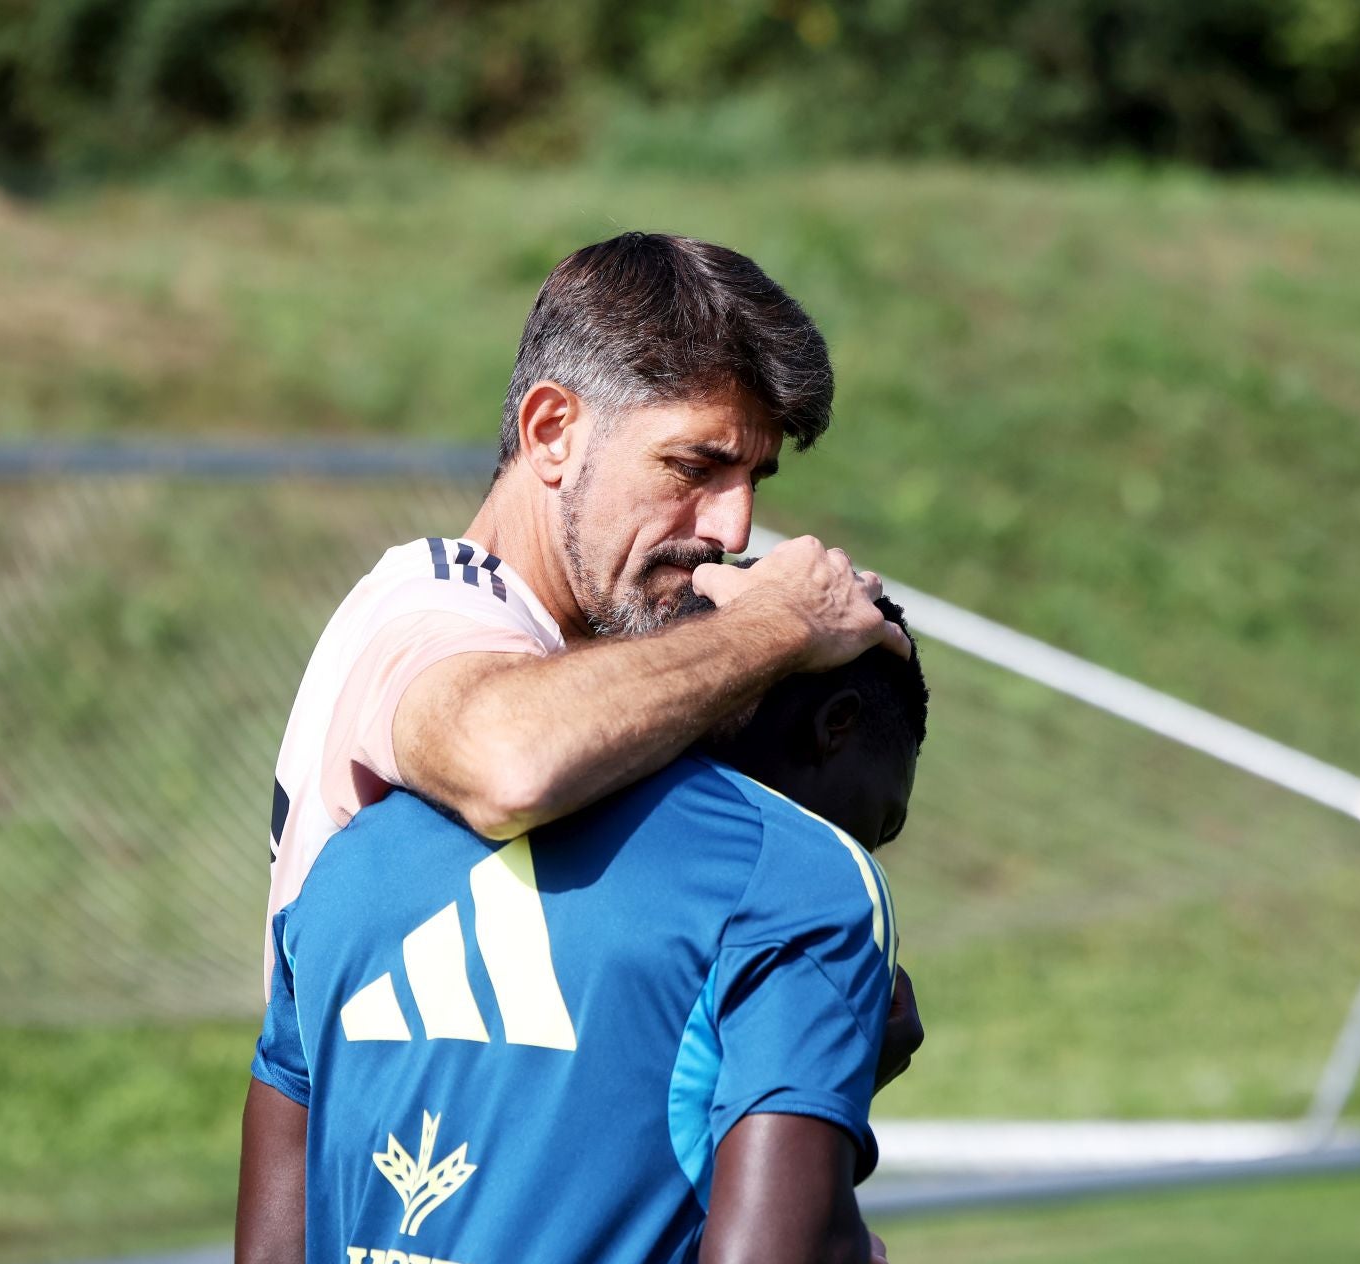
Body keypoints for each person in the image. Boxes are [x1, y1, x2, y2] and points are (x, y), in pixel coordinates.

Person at [263, 230, 920, 1073]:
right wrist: (782, 623)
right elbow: (509, 760)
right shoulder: (431, 605)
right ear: (552, 430)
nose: (733, 528)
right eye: (695, 467)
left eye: (755, 479)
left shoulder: (570, 645)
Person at [237, 600, 929, 1264]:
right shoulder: (807, 876)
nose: (870, 843)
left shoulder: (354, 860)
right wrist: (836, 1240)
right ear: (834, 726)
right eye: (884, 818)